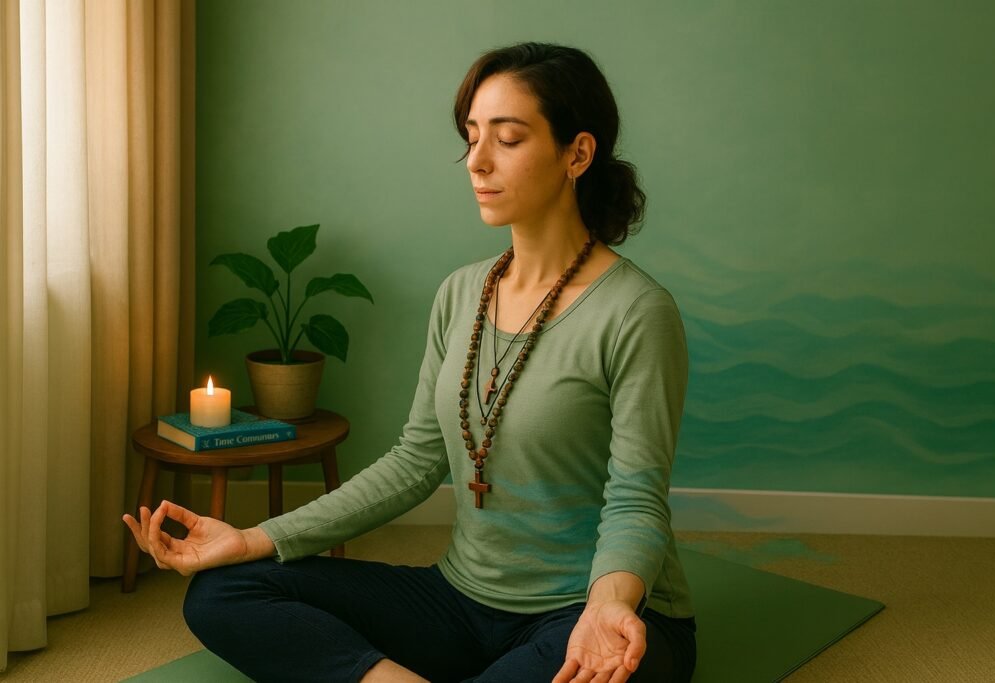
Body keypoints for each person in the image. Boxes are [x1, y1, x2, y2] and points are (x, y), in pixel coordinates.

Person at [123, 42, 697, 683]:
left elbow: (637, 500)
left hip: (590, 619)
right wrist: (254, 538)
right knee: (223, 591)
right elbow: (415, 462)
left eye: (507, 139)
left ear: (578, 154)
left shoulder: (636, 311)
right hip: (458, 603)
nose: (476, 161)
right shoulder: (462, 293)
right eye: (471, 136)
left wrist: (609, 602)